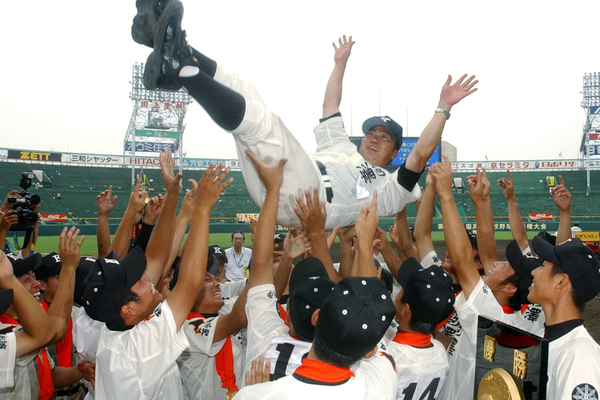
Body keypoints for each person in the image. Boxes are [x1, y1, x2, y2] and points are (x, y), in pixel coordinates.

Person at [133, 0, 478, 229]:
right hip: (287, 180)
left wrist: (443, 107)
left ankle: (178, 69)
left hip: (307, 202)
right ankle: (174, 50)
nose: (375, 138)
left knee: (265, 123)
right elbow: (331, 106)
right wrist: (340, 64)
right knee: (245, 89)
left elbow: (421, 153)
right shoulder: (341, 146)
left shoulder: (392, 188)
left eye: (385, 138)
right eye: (372, 132)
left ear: (394, 153)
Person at [82, 151, 233, 399]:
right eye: (138, 280)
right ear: (128, 308)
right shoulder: (139, 348)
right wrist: (202, 211)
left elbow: (155, 258)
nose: (147, 277)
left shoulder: (116, 326)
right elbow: (190, 283)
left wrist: (172, 193)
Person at [528, 234, 600, 400]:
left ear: (561, 282)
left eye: (543, 265)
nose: (533, 271)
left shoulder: (580, 359)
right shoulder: (541, 336)